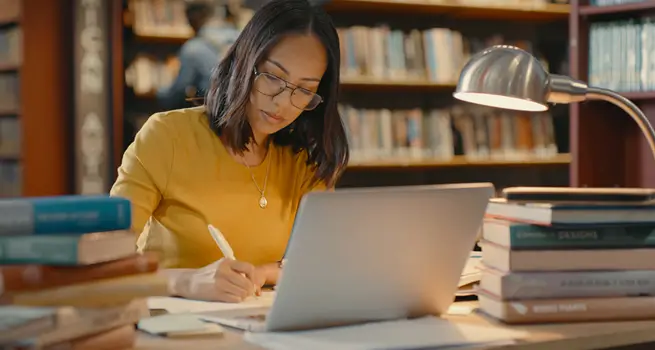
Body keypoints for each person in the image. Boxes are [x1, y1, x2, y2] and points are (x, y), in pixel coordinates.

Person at [111, 0, 349, 303]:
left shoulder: (305, 160)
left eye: (303, 90)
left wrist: (264, 273)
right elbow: (104, 262)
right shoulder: (167, 136)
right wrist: (185, 281)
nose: (282, 103)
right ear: (244, 62)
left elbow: (320, 262)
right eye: (274, 77)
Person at [156, 0, 240, 110]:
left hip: (215, 116)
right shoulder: (242, 36)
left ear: (193, 18)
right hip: (244, 114)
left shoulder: (193, 48)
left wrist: (159, 93)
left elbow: (178, 92)